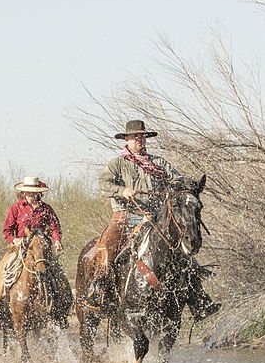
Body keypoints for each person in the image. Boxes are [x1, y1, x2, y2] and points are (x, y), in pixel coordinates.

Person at [92, 119, 220, 320]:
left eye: (142, 137)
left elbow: (176, 179)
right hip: (125, 216)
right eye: (135, 137)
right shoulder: (117, 164)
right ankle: (99, 291)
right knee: (108, 246)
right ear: (126, 140)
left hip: (155, 217)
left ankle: (198, 299)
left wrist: (184, 187)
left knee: (183, 250)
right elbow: (103, 184)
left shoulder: (159, 163)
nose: (140, 140)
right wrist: (122, 190)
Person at [0, 176, 71, 329]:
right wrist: (15, 240)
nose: (31, 195)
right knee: (2, 272)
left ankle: (62, 309)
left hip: (42, 248)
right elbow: (7, 230)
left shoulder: (46, 209)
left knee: (59, 276)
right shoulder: (16, 208)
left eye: (34, 192)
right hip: (20, 246)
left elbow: (55, 227)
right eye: (28, 192)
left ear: (38, 193)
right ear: (23, 193)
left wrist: (56, 240)